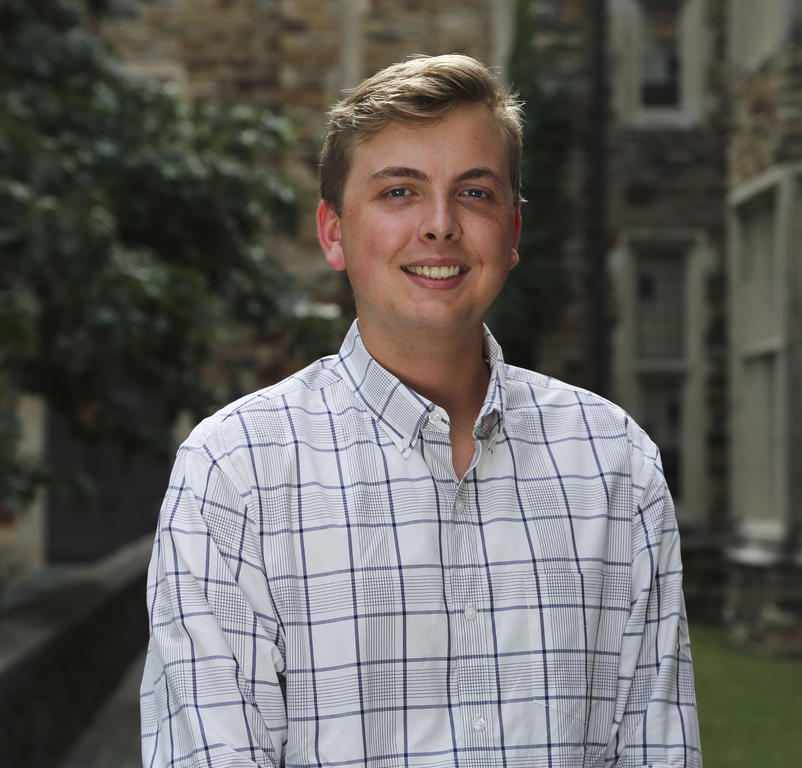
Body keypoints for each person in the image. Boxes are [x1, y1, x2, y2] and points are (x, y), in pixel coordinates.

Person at [141, 54, 701, 767]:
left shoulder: (615, 461)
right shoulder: (234, 474)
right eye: (399, 191)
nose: (439, 226)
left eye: (474, 192)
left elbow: (659, 750)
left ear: (514, 232)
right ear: (334, 232)